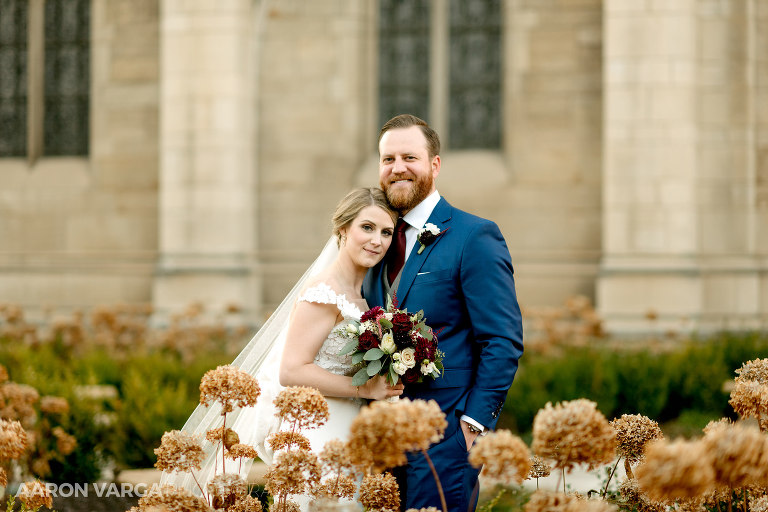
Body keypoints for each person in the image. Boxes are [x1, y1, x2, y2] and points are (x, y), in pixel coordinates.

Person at [161, 187, 404, 509]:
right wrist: (365, 391)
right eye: (367, 227)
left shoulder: (362, 296)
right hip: (316, 431)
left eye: (386, 232)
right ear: (343, 229)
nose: (377, 240)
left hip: (351, 431)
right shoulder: (324, 291)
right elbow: (291, 371)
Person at [362, 114, 524, 511]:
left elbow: (502, 340)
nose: (397, 168)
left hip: (446, 436)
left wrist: (473, 427)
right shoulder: (374, 241)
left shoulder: (475, 236)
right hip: (380, 439)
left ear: (435, 165)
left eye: (409, 157)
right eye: (387, 159)